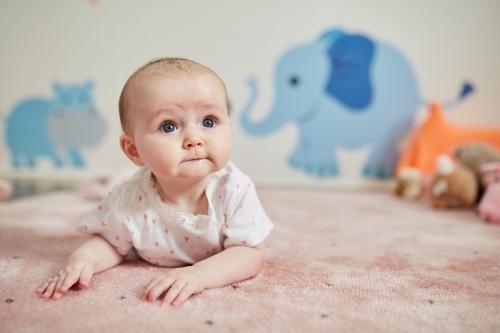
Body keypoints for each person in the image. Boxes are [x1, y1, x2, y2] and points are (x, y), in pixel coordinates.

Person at [36, 57, 274, 306]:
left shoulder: (235, 188)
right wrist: (83, 260)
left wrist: (200, 275)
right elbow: (111, 243)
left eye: (209, 122)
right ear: (134, 150)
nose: (194, 138)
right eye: (169, 126)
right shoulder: (130, 199)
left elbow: (249, 252)